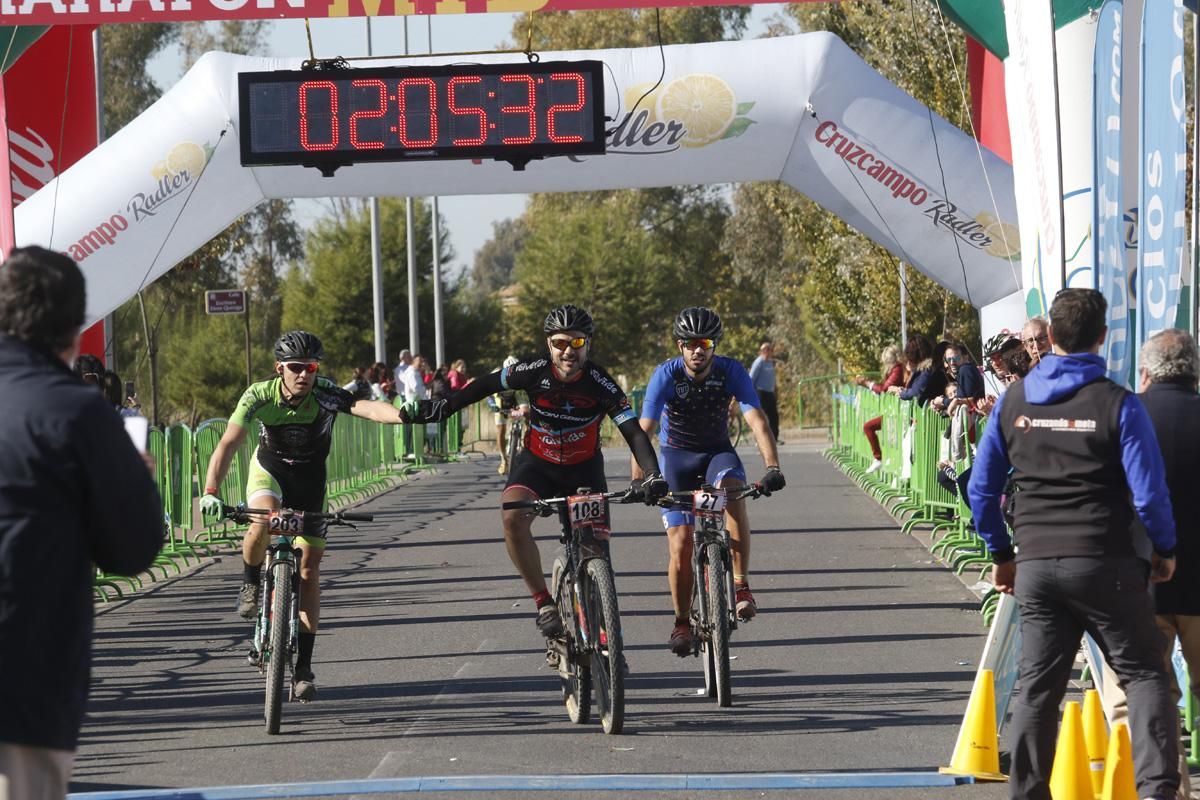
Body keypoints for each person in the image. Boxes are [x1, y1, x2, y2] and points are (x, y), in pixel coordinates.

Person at [967, 289, 1180, 800]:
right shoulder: (1118, 403)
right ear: (1102, 338)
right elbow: (1149, 494)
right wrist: (1164, 549)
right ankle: (1155, 791)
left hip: (1037, 564)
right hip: (1106, 562)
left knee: (1037, 690)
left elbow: (981, 488)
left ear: (1050, 339)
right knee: (1145, 676)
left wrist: (1001, 554)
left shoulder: (1014, 403)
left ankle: (1028, 792)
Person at [0, 246, 162, 800]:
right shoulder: (76, 411)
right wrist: (135, 478)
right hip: (24, 676)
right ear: (74, 331)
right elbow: (132, 549)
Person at [401, 305, 668, 639]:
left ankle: (604, 640)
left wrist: (652, 474)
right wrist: (443, 408)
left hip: (584, 470)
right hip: (537, 465)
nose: (568, 351)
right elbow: (483, 385)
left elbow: (633, 432)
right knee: (512, 515)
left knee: (596, 549)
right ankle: (543, 602)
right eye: (560, 343)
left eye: (577, 343)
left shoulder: (601, 383)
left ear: (588, 344)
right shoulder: (533, 370)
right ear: (548, 343)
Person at [199, 331, 410, 702]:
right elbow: (228, 443)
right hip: (270, 473)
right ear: (279, 368)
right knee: (263, 518)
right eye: (295, 368)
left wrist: (405, 415)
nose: (304, 375)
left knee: (310, 568)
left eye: (310, 367)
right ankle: (250, 585)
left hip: (310, 482)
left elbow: (367, 408)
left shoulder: (325, 393)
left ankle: (303, 667)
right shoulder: (258, 395)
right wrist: (211, 491)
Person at [635, 308, 786, 655]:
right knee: (682, 542)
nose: (697, 350)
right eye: (690, 344)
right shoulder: (666, 375)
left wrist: (772, 466)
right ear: (680, 346)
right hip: (676, 457)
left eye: (704, 343)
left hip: (717, 451)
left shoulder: (730, 371)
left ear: (714, 346)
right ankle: (682, 622)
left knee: (733, 489)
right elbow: (644, 431)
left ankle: (741, 586)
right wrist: (640, 480)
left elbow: (756, 419)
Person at [855, 344, 905, 474]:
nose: (885, 365)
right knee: (870, 428)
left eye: (886, 362)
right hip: (893, 412)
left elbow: (884, 389)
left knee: (869, 427)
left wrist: (868, 384)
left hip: (898, 412)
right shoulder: (895, 370)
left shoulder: (898, 370)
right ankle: (880, 459)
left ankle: (879, 459)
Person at [490, 355, 523, 475]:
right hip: (500, 401)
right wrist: (491, 404)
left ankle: (524, 445)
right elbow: (487, 393)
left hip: (515, 400)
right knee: (501, 429)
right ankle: (504, 459)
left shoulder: (522, 375)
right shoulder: (497, 375)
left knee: (528, 419)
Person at [749, 341, 782, 444]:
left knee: (774, 417)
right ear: (761, 351)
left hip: (770, 393)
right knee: (761, 418)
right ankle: (759, 440)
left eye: (769, 350)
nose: (767, 352)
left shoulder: (770, 362)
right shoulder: (759, 362)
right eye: (765, 350)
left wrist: (775, 389)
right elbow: (751, 378)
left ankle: (774, 439)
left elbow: (772, 378)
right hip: (761, 393)